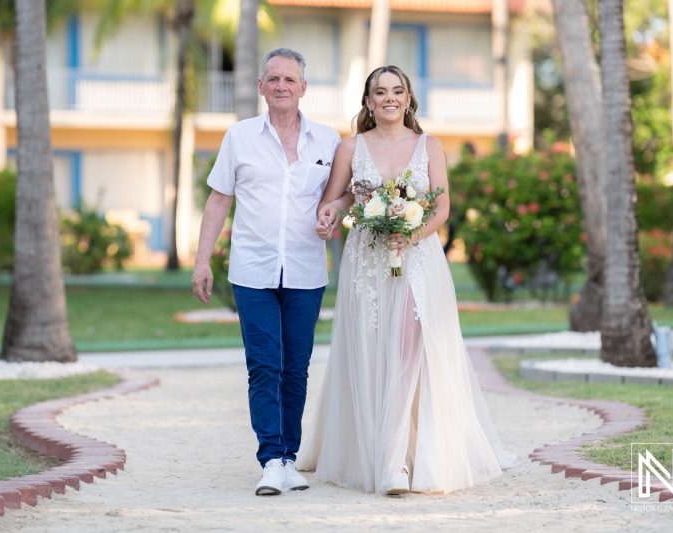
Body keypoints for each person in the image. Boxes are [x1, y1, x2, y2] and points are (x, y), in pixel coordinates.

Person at [297, 66, 516, 495]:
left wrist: (409, 234)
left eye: (397, 91)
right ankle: (380, 449)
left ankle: (395, 462)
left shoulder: (429, 146)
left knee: (407, 352)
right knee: (372, 350)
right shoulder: (349, 148)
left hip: (418, 260)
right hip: (366, 265)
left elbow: (442, 208)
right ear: (368, 102)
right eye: (380, 92)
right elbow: (337, 198)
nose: (389, 98)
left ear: (409, 99)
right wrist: (330, 215)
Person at [191, 48, 343, 496]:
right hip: (251, 270)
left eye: (289, 80)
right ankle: (271, 459)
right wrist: (202, 260)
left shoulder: (328, 141)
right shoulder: (239, 137)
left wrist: (333, 212)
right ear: (261, 87)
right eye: (273, 79)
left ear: (303, 88)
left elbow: (344, 194)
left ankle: (290, 458)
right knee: (264, 366)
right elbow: (219, 199)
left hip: (306, 269)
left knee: (295, 368)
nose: (281, 86)